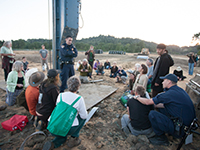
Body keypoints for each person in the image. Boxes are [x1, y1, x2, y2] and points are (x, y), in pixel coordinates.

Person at [133, 74, 196, 145]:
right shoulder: (179, 90)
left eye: (164, 80)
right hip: (187, 125)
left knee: (152, 114)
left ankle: (161, 137)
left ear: (169, 82)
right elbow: (165, 105)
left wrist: (137, 97)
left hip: (180, 129)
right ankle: (166, 129)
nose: (162, 82)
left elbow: (148, 102)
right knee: (161, 109)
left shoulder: (168, 94)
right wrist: (155, 105)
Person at [43, 76, 87, 149]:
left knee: (62, 131)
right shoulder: (79, 99)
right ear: (78, 87)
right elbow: (84, 116)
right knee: (83, 118)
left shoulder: (60, 95)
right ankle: (73, 138)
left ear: (68, 85)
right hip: (67, 129)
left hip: (51, 125)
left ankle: (55, 143)